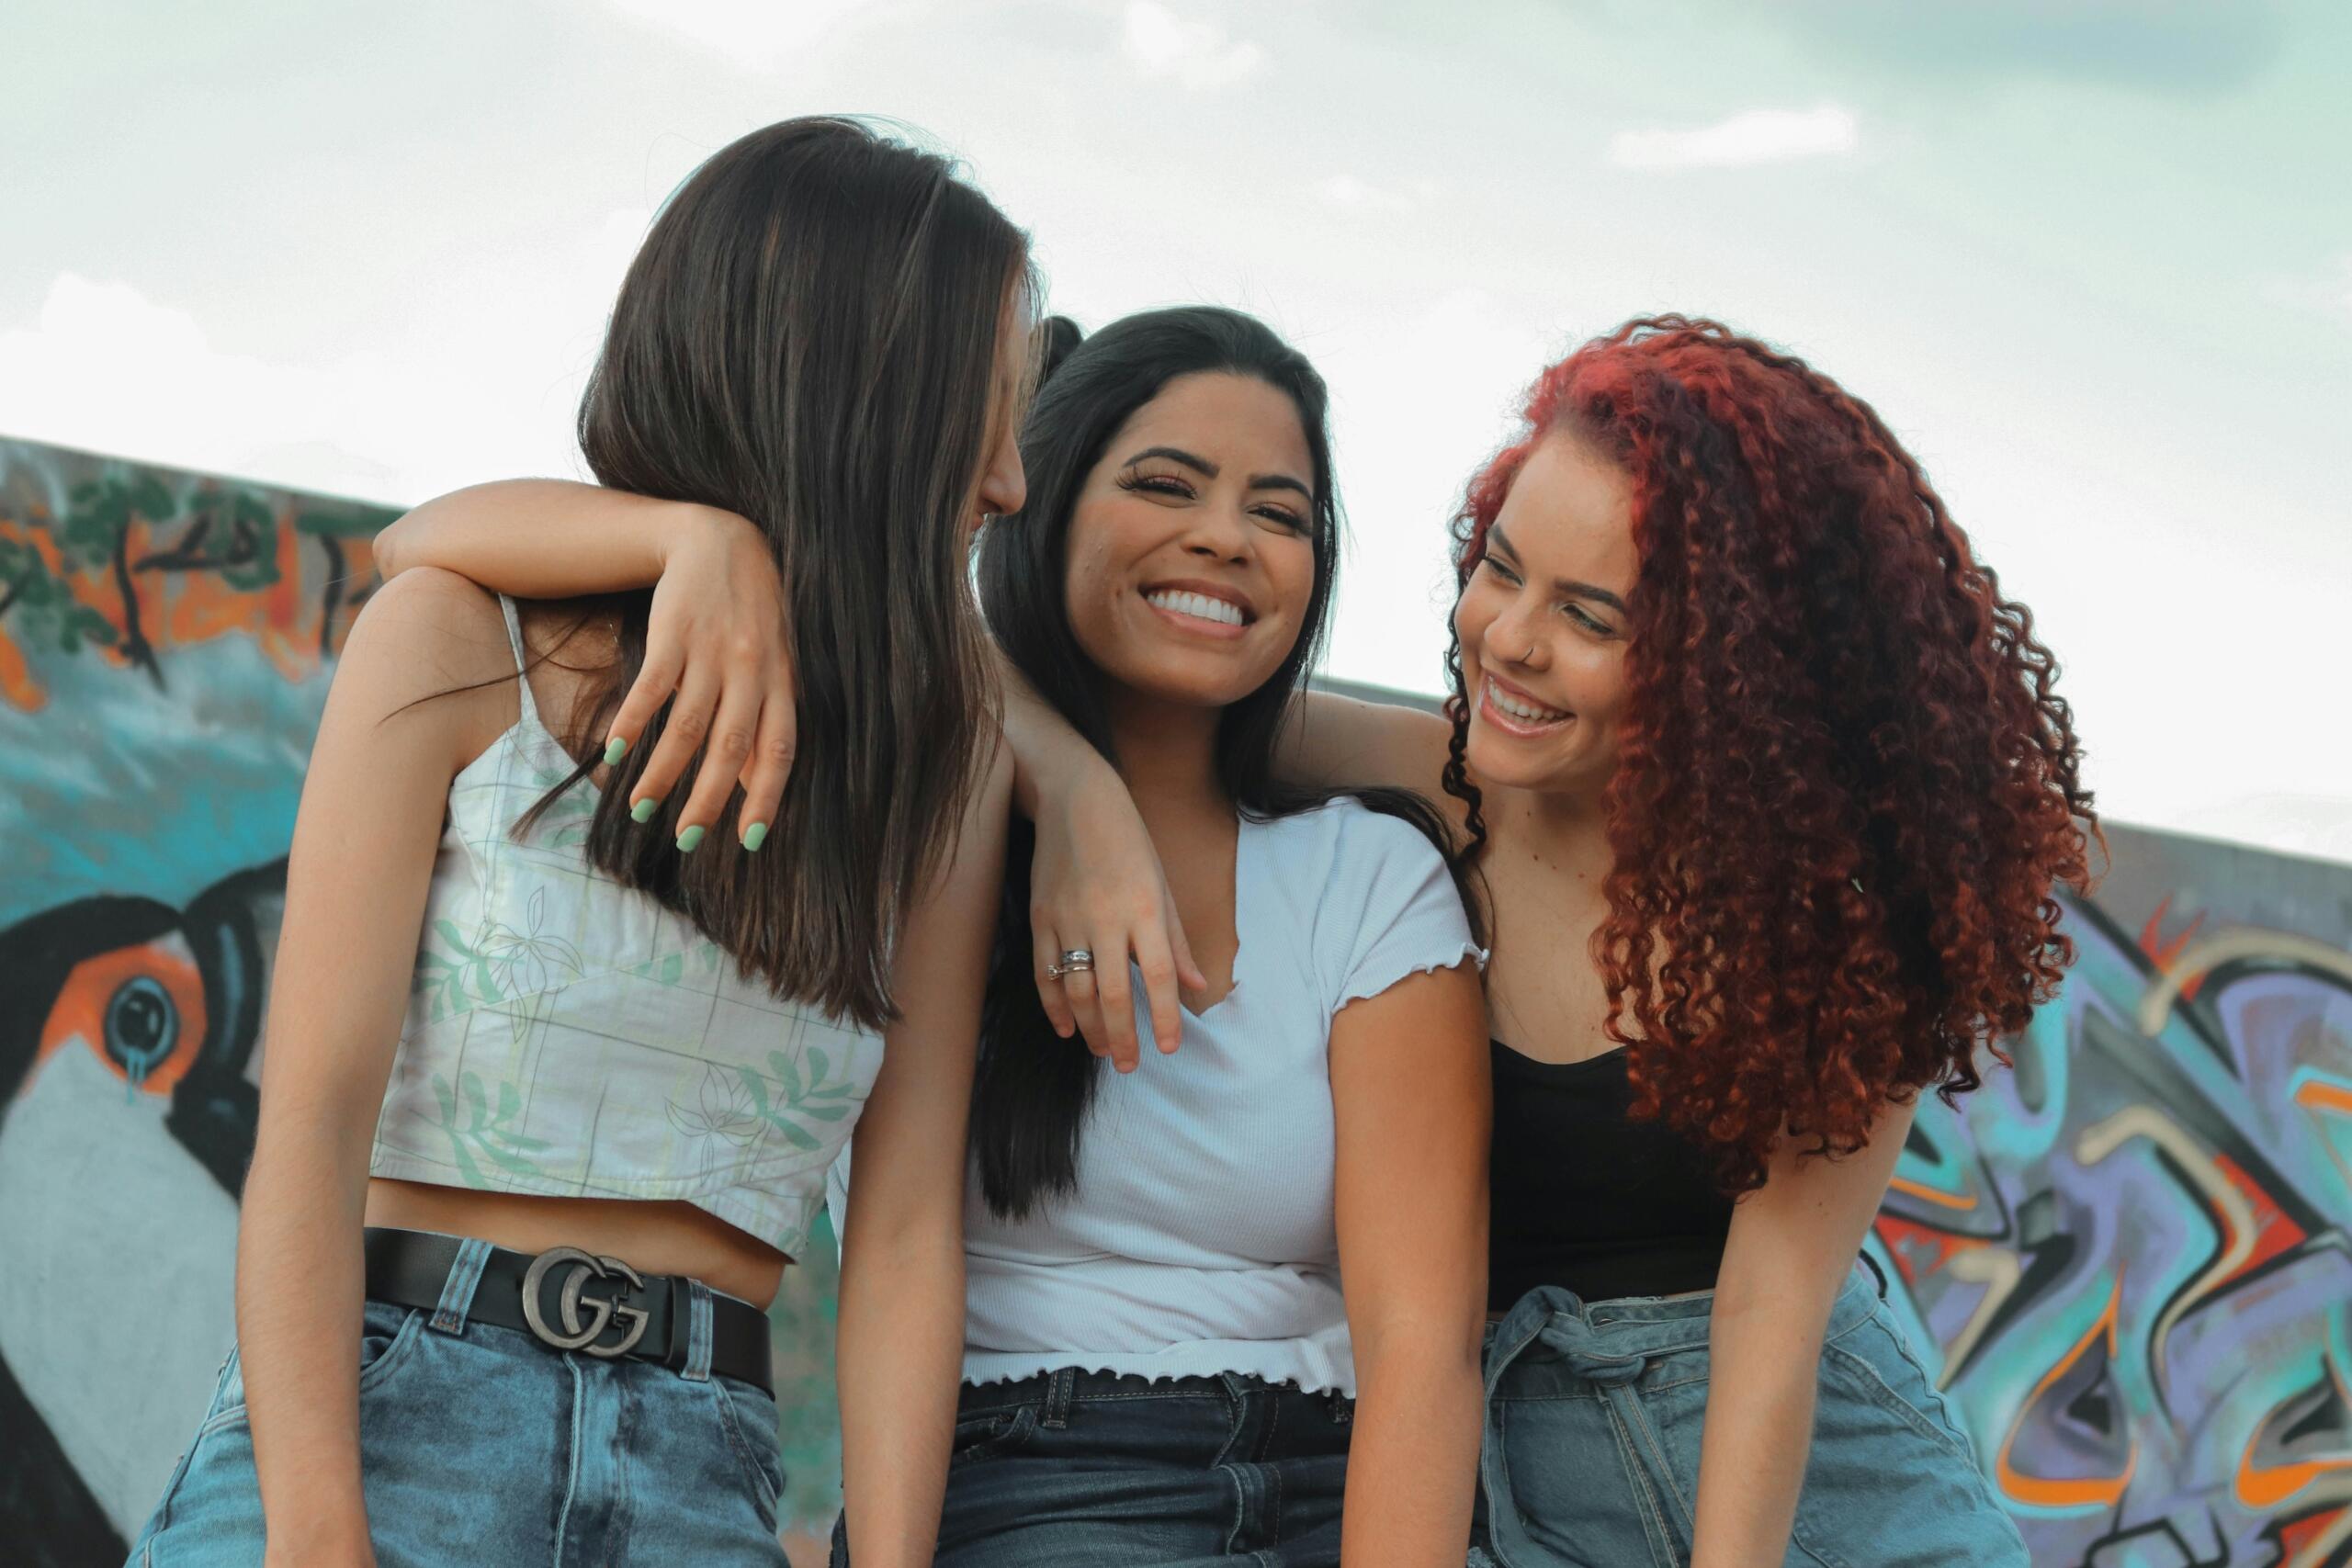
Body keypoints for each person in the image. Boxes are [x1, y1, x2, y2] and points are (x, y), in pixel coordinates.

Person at [375, 306, 1492, 1568]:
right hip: (1035, 1469)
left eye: (1281, 513)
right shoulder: (903, 809)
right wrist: (1059, 781)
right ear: (1030, 500)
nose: (1226, 537)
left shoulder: (1368, 869)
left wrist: (1076, 781)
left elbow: (1424, 1346)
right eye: (1164, 484)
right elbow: (422, 538)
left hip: (1333, 1467)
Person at [124, 116, 1034, 1568]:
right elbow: (307, 1120)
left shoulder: (941, 762)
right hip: (385, 1425)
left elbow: (909, 1232)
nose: (1008, 486)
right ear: (866, 398)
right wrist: (314, 1535)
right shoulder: (454, 639)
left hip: (703, 1471)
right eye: (986, 411)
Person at [1035, 315, 2084, 1566]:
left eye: (1591, 617)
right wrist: (1076, 793)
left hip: (1814, 1492)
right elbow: (1042, 661)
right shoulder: (1433, 783)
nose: (1512, 641)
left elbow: (1774, 1308)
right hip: (1513, 1488)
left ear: (1726, 671)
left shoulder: (1841, 911)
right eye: (1501, 567)